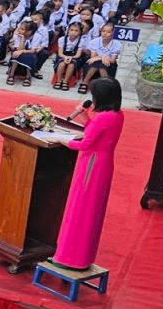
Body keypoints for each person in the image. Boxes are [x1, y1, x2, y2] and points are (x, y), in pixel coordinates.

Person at [51, 77, 126, 271]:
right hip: (101, 164)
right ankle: (76, 256)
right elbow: (95, 132)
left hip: (92, 165)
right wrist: (85, 118)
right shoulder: (117, 114)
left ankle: (70, 256)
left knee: (81, 209)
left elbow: (85, 144)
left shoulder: (104, 117)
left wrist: (61, 139)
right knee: (89, 211)